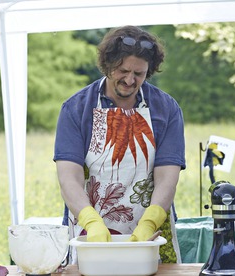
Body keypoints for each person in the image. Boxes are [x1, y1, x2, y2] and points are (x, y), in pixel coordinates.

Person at [53, 25, 186, 263]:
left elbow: (168, 177)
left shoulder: (166, 109)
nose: (130, 80)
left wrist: (150, 221)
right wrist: (91, 222)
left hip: (148, 233)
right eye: (122, 70)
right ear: (107, 65)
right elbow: (68, 178)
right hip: (90, 231)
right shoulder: (76, 109)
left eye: (139, 74)